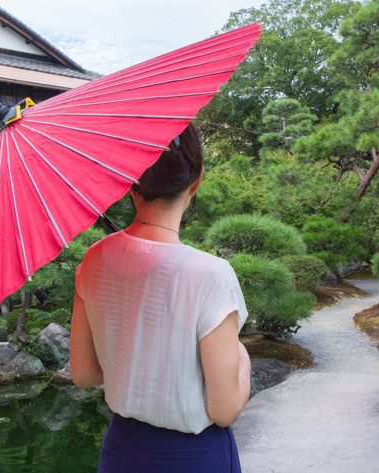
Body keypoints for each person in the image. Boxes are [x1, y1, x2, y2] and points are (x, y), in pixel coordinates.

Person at [69, 122, 252, 473]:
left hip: (121, 452)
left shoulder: (93, 259)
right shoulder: (210, 274)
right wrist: (243, 362)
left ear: (130, 184)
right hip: (193, 458)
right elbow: (224, 410)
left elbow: (85, 374)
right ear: (196, 179)